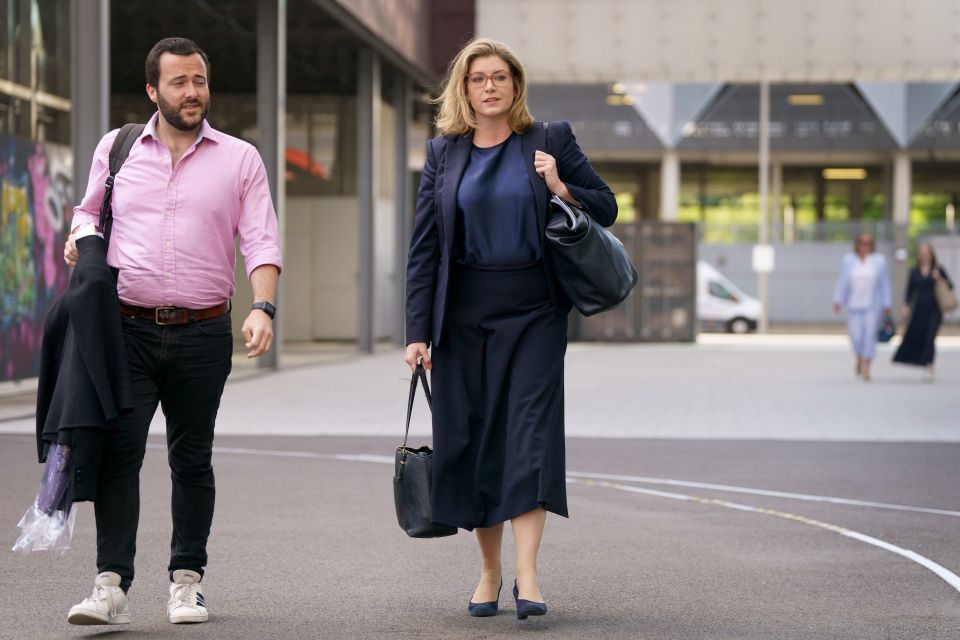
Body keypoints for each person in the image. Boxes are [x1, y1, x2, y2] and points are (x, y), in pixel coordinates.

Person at [61, 37, 282, 626]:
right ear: (153, 91)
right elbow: (89, 210)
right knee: (118, 457)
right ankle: (110, 585)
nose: (193, 92)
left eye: (200, 81)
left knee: (192, 459)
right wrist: (82, 240)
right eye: (180, 82)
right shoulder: (119, 147)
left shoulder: (240, 159)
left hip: (203, 333)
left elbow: (261, 239)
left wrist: (263, 307)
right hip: (126, 330)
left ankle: (187, 582)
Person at [403, 38, 617, 619]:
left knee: (527, 439)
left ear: (515, 85)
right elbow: (425, 250)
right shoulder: (444, 154)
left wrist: (559, 187)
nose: (490, 86)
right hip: (463, 318)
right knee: (474, 441)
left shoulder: (550, 140)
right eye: (478, 79)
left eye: (500, 77)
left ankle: (527, 576)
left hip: (535, 314)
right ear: (464, 90)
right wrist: (416, 331)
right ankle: (488, 572)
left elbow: (606, 207)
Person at [832, 232, 891, 381]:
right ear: (857, 245)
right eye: (861, 243)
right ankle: (859, 356)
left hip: (873, 305)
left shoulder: (879, 261)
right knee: (855, 335)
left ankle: (867, 366)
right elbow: (843, 281)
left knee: (869, 336)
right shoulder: (849, 260)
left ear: (872, 245)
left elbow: (884, 283)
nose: (864, 246)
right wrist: (838, 299)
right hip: (853, 304)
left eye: (868, 243)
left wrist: (887, 303)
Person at [893, 243, 954, 382]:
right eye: (922, 252)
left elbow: (950, 286)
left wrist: (939, 278)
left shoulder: (938, 269)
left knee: (930, 337)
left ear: (931, 254)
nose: (924, 255)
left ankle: (929, 365)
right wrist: (906, 306)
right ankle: (920, 360)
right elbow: (909, 290)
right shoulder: (914, 271)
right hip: (920, 309)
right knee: (919, 335)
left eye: (927, 252)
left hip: (935, 309)